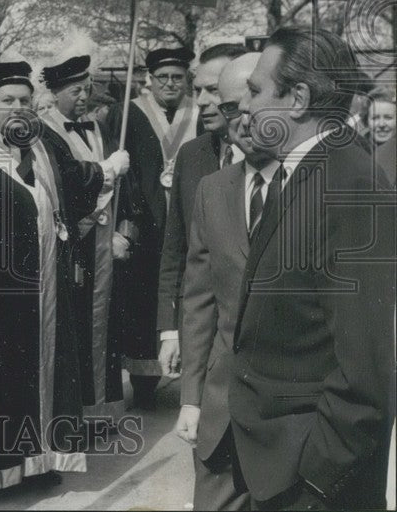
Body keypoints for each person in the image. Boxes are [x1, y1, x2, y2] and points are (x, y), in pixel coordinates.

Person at [232, 26, 395, 510]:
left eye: (256, 90)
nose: (244, 104)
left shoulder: (352, 188)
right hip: (280, 470)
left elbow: (366, 375)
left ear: (298, 98)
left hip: (312, 485)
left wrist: (315, 487)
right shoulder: (305, 171)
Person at [0, 61, 102, 489]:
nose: (19, 108)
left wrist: (106, 170)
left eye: (25, 100)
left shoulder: (40, 150)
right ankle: (0, 474)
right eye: (8, 101)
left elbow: (77, 188)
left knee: (47, 368)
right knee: (1, 378)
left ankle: (41, 462)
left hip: (46, 285)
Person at [174, 52, 265, 511]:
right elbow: (199, 300)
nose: (241, 119)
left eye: (252, 100)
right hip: (220, 414)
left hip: (289, 425)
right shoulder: (213, 189)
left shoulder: (316, 186)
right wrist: (191, 398)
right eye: (231, 108)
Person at [104, 46, 200, 407]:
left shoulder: (199, 113)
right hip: (147, 224)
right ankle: (145, 380)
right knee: (143, 299)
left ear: (187, 80)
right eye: (164, 78)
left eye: (178, 77)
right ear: (150, 80)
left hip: (191, 219)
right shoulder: (127, 114)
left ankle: (191, 375)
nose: (171, 84)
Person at [40, 55, 133, 426]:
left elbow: (129, 190)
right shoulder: (45, 132)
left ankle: (104, 409)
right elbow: (66, 179)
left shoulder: (100, 129)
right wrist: (107, 169)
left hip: (107, 246)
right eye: (75, 90)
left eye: (87, 89)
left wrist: (125, 231)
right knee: (75, 326)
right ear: (56, 92)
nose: (83, 97)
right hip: (73, 246)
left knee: (105, 326)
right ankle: (76, 413)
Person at [156, 43, 247, 377]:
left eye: (214, 91)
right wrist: (169, 330)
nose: (204, 102)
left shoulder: (272, 158)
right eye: (198, 91)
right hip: (201, 332)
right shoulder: (191, 156)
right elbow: (175, 247)